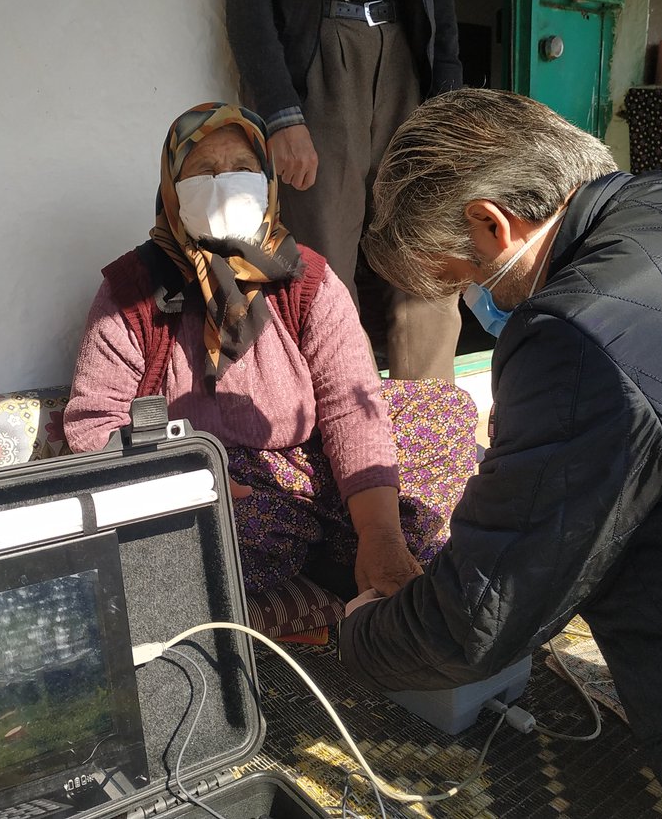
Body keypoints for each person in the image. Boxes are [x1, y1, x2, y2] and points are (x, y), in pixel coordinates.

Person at [338, 88, 662, 818]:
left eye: (460, 280)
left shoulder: (580, 331)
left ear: (493, 224)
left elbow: (478, 620)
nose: (480, 303)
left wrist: (362, 633)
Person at [62, 102, 475, 598]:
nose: (223, 184)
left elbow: (351, 405)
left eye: (242, 168)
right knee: (218, 544)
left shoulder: (306, 279)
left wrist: (379, 531)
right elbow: (93, 424)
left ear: (267, 180)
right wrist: (193, 481)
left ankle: (355, 547)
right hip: (212, 481)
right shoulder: (134, 289)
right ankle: (322, 558)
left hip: (312, 464)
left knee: (442, 413)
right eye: (203, 172)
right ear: (171, 187)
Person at [225, 0, 463, 381]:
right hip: (319, 56)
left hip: (404, 55)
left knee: (425, 253)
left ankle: (428, 437)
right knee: (325, 264)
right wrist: (280, 112)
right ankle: (348, 427)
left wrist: (448, 100)